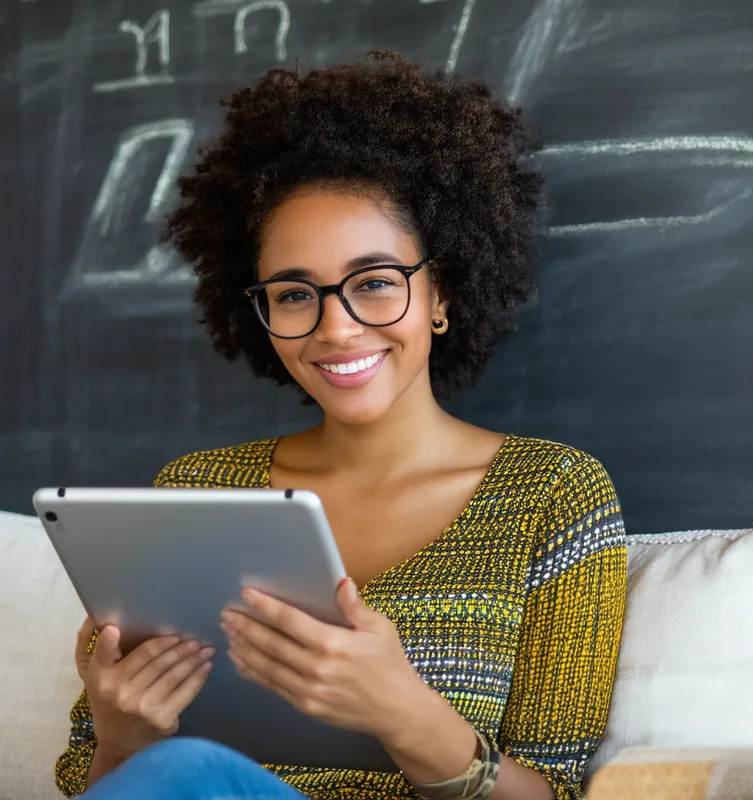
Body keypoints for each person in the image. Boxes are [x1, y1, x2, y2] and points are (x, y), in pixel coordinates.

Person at [55, 51, 627, 800]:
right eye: (296, 295)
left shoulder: (551, 495)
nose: (336, 327)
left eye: (376, 284)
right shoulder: (195, 493)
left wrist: (405, 713)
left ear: (441, 292)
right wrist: (125, 739)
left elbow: (557, 793)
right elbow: (91, 784)